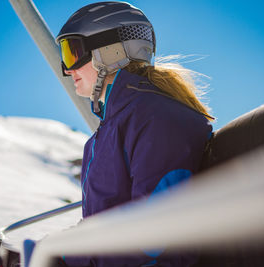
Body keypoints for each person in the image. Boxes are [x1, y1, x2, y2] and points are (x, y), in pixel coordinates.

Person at [54, 1, 213, 267]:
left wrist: (67, 260)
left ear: (111, 51)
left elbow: (156, 236)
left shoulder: (158, 118)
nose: (67, 69)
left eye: (73, 52)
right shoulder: (104, 134)